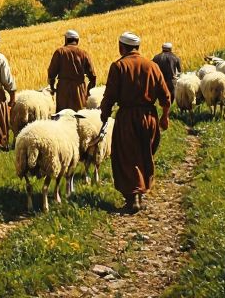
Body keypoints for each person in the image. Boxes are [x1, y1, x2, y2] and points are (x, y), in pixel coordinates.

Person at [98, 31, 172, 213]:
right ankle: (140, 192)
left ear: (121, 47)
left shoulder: (118, 66)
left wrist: (104, 114)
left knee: (126, 157)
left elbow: (110, 95)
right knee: (144, 153)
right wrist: (165, 116)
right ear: (137, 47)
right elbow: (166, 96)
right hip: (149, 117)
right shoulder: (152, 66)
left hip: (128, 118)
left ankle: (133, 198)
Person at [46, 29, 96, 112]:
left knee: (62, 115)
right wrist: (88, 92)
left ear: (66, 39)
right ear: (77, 40)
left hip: (63, 89)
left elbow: (51, 73)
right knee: (79, 114)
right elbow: (93, 76)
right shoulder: (84, 53)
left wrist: (52, 87)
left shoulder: (60, 52)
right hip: (79, 89)